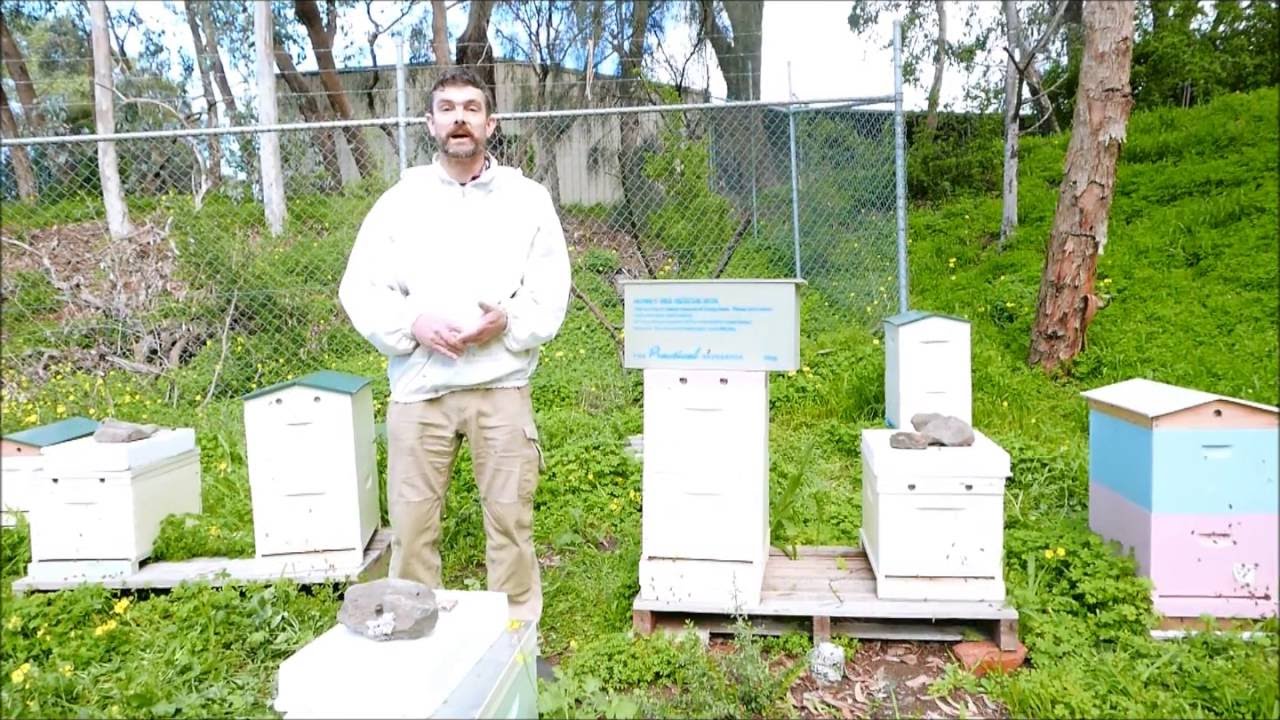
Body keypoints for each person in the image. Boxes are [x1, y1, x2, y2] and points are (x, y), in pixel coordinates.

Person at [338, 66, 570, 626]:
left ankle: (516, 642)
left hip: (501, 389)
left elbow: (550, 286)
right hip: (421, 391)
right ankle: (416, 647)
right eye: (448, 108)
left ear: (490, 123)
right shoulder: (400, 202)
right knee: (413, 531)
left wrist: (508, 320)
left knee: (511, 524)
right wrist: (412, 324)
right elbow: (361, 288)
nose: (459, 118)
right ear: (431, 123)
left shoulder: (528, 199)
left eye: (471, 108)